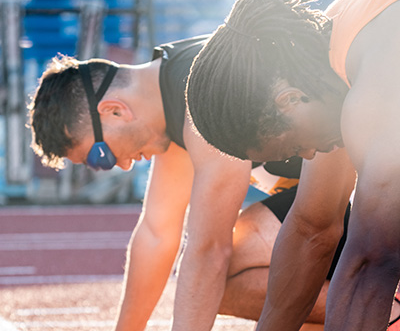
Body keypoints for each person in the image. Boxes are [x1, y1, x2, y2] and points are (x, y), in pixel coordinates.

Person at [28, 36, 353, 331]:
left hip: (374, 189)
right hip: (352, 199)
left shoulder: (202, 98)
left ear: (114, 110)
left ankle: (382, 301)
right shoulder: (172, 90)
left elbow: (211, 250)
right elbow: (157, 234)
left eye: (102, 156)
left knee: (222, 270)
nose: (122, 165)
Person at [186, 0, 400, 331]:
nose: (307, 155)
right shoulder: (330, 49)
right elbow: (311, 228)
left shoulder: (374, 90)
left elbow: (372, 260)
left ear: (288, 99)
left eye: (291, 148)